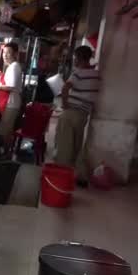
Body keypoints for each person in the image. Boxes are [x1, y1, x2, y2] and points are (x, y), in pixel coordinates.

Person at [55, 45, 100, 182]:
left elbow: (65, 88)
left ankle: (61, 177)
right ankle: (77, 175)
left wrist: (65, 104)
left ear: (78, 58)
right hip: (83, 115)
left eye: (75, 58)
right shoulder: (96, 74)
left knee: (64, 146)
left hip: (70, 113)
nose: (74, 61)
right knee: (76, 146)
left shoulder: (78, 73)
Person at [0, 43, 23, 146]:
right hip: (10, 103)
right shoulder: (11, 66)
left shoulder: (14, 67)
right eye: (4, 52)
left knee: (4, 132)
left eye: (8, 52)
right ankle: (5, 153)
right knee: (6, 130)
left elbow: (11, 87)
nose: (5, 55)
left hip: (11, 104)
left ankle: (3, 155)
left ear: (15, 54)